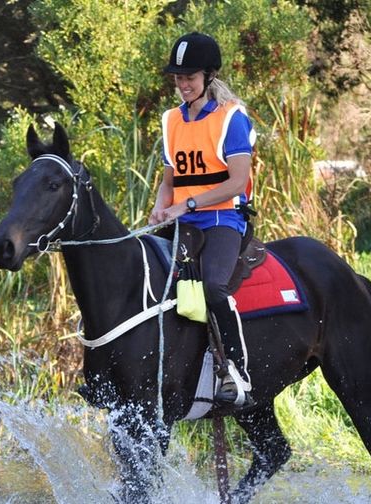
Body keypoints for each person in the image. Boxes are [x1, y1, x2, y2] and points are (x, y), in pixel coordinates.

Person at [149, 32, 256, 410]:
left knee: (212, 288)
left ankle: (237, 373)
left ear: (209, 76)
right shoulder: (170, 121)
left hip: (224, 218)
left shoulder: (232, 119)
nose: (182, 85)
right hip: (185, 220)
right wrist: (159, 209)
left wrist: (187, 204)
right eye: (177, 78)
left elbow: (237, 181)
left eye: (189, 77)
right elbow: (169, 182)